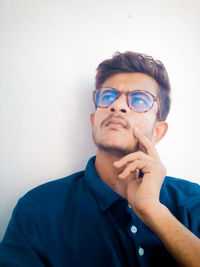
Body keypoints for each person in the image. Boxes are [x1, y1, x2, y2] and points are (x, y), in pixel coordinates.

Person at [0, 51, 199, 267]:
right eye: (107, 97)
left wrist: (153, 210)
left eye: (139, 100)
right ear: (95, 119)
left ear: (158, 131)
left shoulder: (192, 201)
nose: (117, 106)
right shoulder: (38, 209)